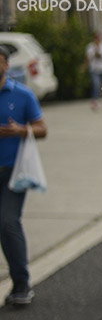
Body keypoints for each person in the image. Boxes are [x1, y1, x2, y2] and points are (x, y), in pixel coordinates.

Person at [0, 45, 48, 306]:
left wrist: (21, 130)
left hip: (12, 173)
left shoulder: (22, 95)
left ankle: (21, 284)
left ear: (6, 65)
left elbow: (42, 129)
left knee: (8, 222)